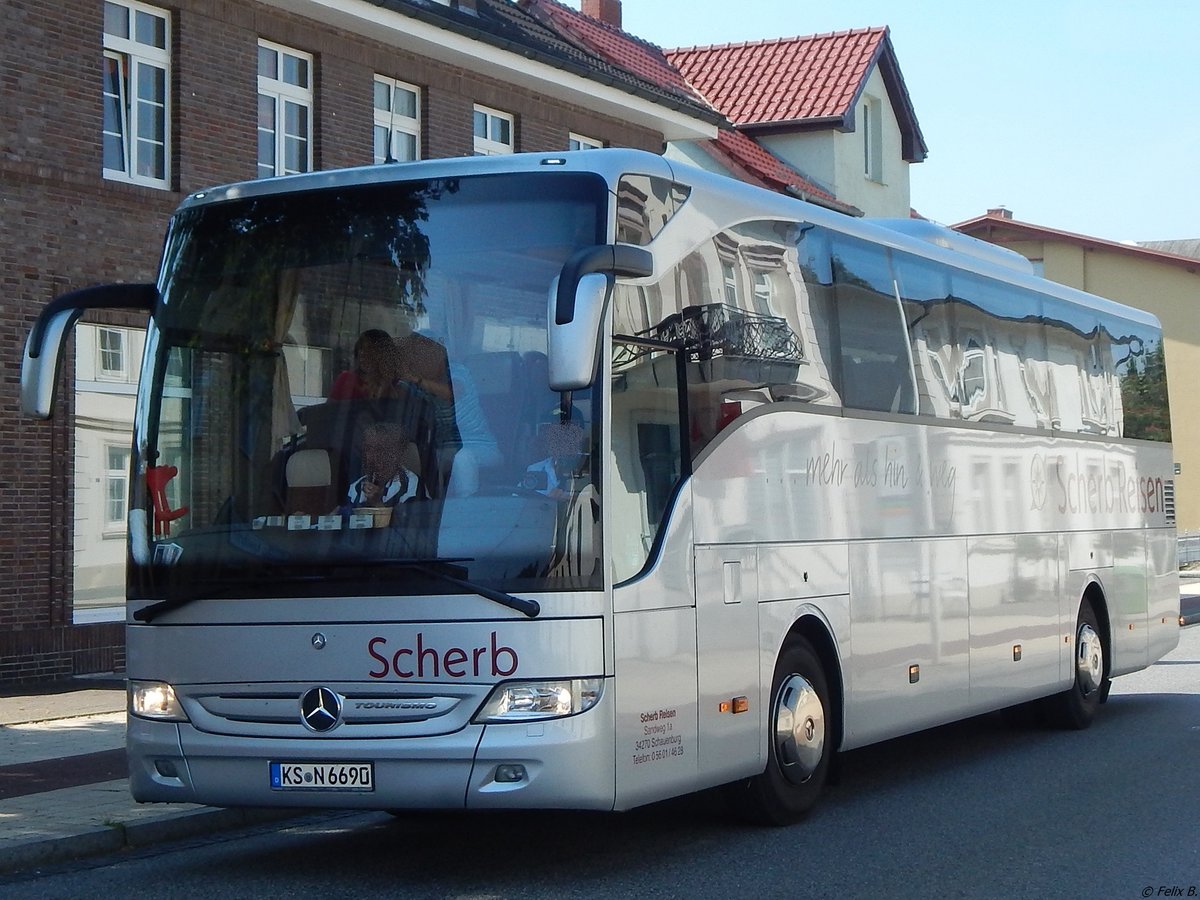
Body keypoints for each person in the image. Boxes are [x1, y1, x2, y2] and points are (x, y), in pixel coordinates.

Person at [343, 422, 419, 507]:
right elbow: (346, 517)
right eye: (369, 449)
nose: (374, 455)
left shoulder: (412, 484)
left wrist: (376, 503)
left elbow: (410, 519)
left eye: (380, 449)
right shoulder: (356, 488)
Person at [329, 329, 402, 401]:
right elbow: (329, 410)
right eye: (361, 348)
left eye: (370, 349)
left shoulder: (398, 385)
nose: (363, 353)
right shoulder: (345, 380)